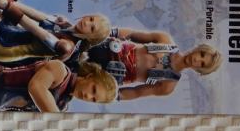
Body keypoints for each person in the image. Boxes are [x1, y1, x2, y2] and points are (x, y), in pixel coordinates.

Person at [83, 28, 221, 100]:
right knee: (76, 45)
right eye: (201, 55)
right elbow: (132, 34)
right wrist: (110, 32)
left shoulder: (168, 86)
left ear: (199, 70)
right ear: (198, 49)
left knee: (77, 76)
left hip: (109, 75)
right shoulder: (165, 40)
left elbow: (137, 92)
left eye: (202, 64)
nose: (197, 60)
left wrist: (110, 96)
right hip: (108, 49)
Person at [0, 58, 117, 112]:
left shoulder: (61, 105)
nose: (88, 96)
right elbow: (36, 87)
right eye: (93, 90)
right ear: (90, 77)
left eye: (93, 99)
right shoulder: (60, 70)